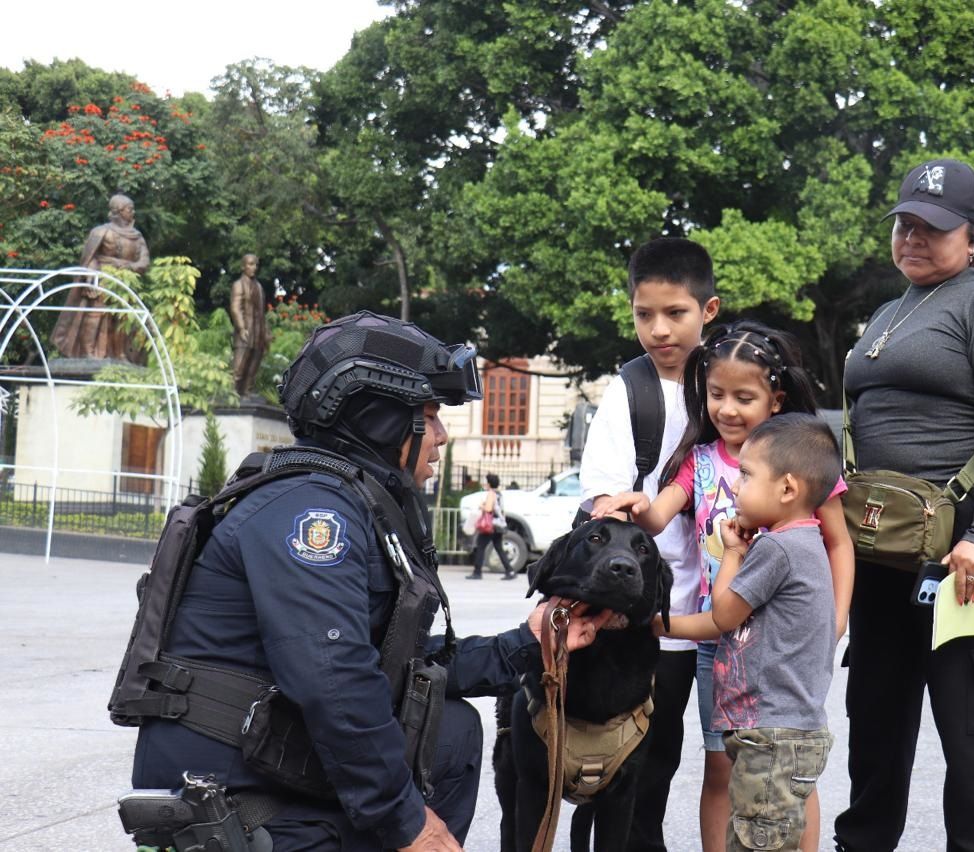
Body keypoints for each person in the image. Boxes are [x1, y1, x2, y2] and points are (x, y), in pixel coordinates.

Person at [128, 312, 615, 851]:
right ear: (378, 422)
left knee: (451, 730)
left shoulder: (345, 501)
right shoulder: (312, 515)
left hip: (274, 764)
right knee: (433, 748)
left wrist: (529, 642)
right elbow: (334, 679)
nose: (441, 436)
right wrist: (410, 824)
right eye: (429, 416)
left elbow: (396, 669)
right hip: (236, 802)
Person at [834, 158, 974, 852]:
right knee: (873, 728)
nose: (913, 238)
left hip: (968, 556)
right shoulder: (888, 312)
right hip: (882, 551)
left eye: (934, 228)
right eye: (905, 225)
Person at [594, 321, 854, 852]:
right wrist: (637, 504)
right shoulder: (702, 460)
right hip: (720, 641)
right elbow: (659, 516)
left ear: (776, 399)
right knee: (724, 765)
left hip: (782, 644)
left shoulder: (798, 464)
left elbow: (839, 543)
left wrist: (838, 617)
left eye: (744, 397)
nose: (727, 409)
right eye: (716, 394)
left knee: (790, 769)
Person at [578, 236, 720, 851]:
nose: (658, 329)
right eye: (644, 314)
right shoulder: (629, 390)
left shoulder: (728, 384)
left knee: (664, 751)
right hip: (637, 612)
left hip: (709, 608)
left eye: (675, 313)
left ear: (708, 310)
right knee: (617, 754)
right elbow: (602, 503)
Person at [656, 413, 840, 852]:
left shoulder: (775, 548)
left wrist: (734, 553)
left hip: (769, 735)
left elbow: (722, 614)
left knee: (756, 841)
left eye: (746, 475)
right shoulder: (807, 542)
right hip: (790, 732)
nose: (735, 487)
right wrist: (659, 626)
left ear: (788, 489)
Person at [52, 193, 150, 362]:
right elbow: (89, 258)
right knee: (94, 315)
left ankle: (120, 354)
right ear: (119, 211)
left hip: (126, 283)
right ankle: (88, 352)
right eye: (129, 209)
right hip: (101, 280)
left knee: (122, 318)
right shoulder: (101, 232)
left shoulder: (137, 236)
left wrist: (125, 266)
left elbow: (144, 262)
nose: (133, 212)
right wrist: (90, 273)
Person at [230, 253, 272, 397]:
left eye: (255, 265)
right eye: (250, 264)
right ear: (243, 266)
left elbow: (261, 312)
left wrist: (266, 332)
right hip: (245, 331)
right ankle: (233, 392)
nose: (254, 267)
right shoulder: (238, 285)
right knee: (240, 364)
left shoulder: (259, 287)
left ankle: (247, 390)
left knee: (254, 364)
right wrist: (241, 328)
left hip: (258, 332)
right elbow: (236, 308)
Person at [468, 472, 516, 580]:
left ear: (489, 483)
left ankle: (477, 572)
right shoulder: (499, 494)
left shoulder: (491, 493)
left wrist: (482, 506)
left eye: (486, 482)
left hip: (491, 525)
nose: (485, 484)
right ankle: (510, 571)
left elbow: (489, 509)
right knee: (499, 548)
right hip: (499, 525)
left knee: (480, 546)